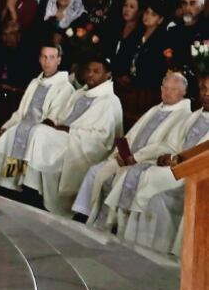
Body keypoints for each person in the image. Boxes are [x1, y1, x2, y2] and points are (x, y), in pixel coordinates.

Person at [71, 72, 191, 227]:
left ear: (184, 92)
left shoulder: (184, 116)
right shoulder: (155, 109)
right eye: (165, 88)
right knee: (96, 171)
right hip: (127, 158)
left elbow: (166, 146)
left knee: (121, 177)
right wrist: (120, 153)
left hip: (146, 162)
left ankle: (111, 224)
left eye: (173, 89)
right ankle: (84, 213)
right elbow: (131, 135)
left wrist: (136, 158)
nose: (167, 92)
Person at [111, 73, 209, 252]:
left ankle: (145, 243)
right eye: (204, 88)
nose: (207, 93)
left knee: (146, 179)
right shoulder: (194, 116)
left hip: (195, 175)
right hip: (177, 166)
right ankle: (129, 237)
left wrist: (179, 161)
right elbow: (172, 143)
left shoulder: (184, 113)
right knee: (140, 174)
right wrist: (169, 156)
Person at [17, 57, 122, 213]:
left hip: (79, 146)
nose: (90, 75)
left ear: (108, 75)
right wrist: (53, 123)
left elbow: (104, 140)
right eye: (88, 71)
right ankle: (25, 187)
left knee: (38, 134)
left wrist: (70, 131)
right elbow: (62, 116)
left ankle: (31, 192)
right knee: (31, 132)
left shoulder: (110, 101)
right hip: (56, 136)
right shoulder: (79, 93)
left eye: (96, 71)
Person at [0, 45, 75, 185]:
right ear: (39, 59)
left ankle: (10, 184)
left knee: (15, 140)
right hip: (19, 128)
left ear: (59, 60)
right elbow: (20, 112)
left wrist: (22, 129)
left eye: (51, 57)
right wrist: (7, 126)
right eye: (44, 57)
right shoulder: (34, 82)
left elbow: (54, 118)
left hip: (39, 135)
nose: (47, 61)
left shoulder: (65, 88)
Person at [103, 0, 143, 81]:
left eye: (132, 7)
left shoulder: (140, 32)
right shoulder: (117, 25)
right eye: (125, 5)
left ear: (139, 12)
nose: (127, 9)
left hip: (125, 78)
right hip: (109, 72)